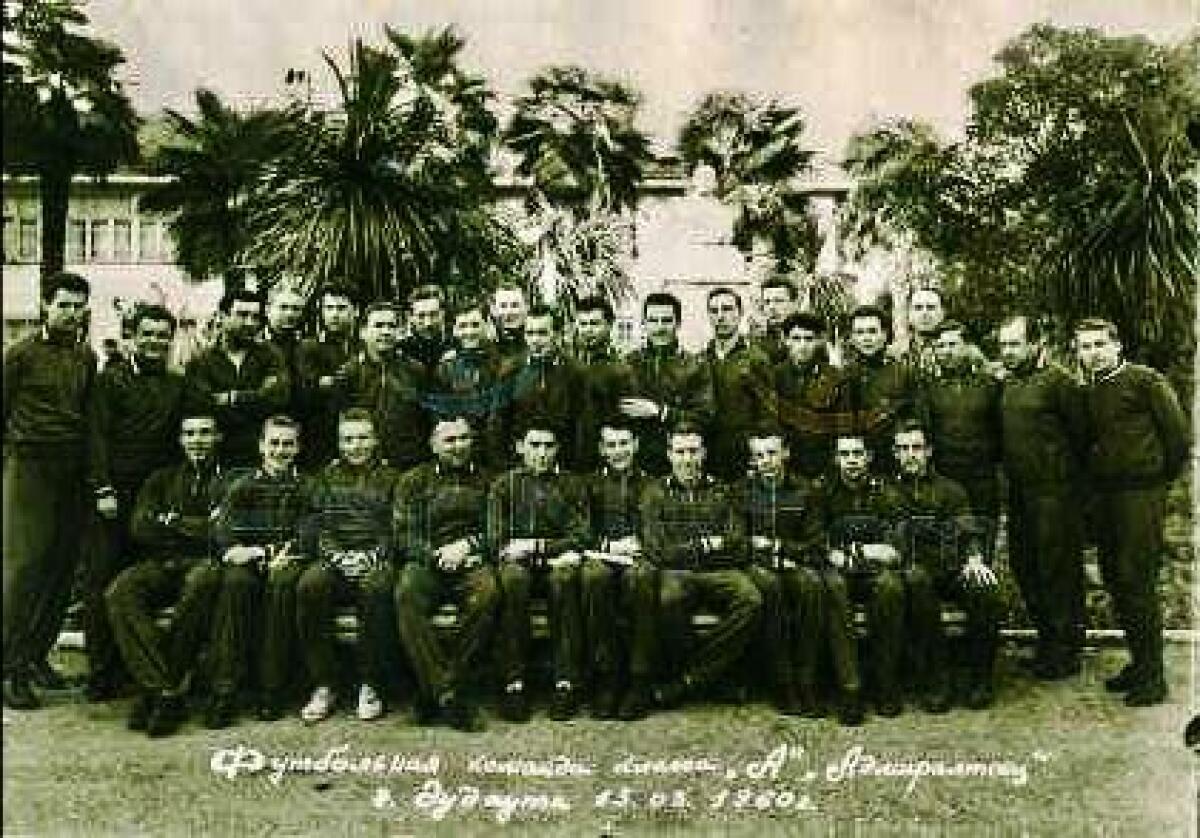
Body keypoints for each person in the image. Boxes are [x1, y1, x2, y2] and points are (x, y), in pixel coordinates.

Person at [1075, 318, 1189, 706]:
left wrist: (1155, 480)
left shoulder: (1145, 381)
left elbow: (1178, 437)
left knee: (1136, 580)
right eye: (1085, 347)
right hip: (1106, 498)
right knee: (1115, 580)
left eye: (1099, 345)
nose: (1093, 353)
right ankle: (1139, 664)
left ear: (1117, 345)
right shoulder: (1090, 391)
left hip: (1140, 495)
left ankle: (1153, 677)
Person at [3, 272, 97, 709]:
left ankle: (37, 656)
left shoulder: (86, 357)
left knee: (62, 567)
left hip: (72, 468)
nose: (72, 314)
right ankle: (11, 670)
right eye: (64, 305)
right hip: (31, 467)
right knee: (25, 569)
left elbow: (87, 417)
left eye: (79, 306)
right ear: (45, 305)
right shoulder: (20, 354)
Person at [84, 304, 187, 701]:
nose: (155, 342)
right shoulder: (110, 380)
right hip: (114, 495)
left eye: (163, 335)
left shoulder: (176, 385)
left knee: (136, 581)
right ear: (132, 336)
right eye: (148, 334)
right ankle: (101, 672)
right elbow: (95, 437)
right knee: (102, 579)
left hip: (154, 497)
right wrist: (102, 489)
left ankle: (136, 668)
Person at [105, 412, 227, 736]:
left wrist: (171, 521)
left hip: (206, 564)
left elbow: (223, 533)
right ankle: (165, 690)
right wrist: (197, 525)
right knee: (120, 590)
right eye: (190, 434)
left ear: (218, 437)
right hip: (162, 564)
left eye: (205, 433)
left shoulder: (230, 481)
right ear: (180, 440)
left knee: (203, 580)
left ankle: (159, 690)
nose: (197, 441)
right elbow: (140, 527)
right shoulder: (161, 478)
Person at [640, 421, 762, 710]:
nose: (688, 459)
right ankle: (713, 677)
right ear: (669, 455)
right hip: (676, 573)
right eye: (680, 452)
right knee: (669, 598)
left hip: (719, 572)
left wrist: (688, 549)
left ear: (704, 453)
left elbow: (738, 544)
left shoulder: (722, 490)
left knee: (751, 599)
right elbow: (658, 551)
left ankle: (691, 679)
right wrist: (708, 545)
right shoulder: (654, 493)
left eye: (693, 451)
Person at [293, 409, 401, 723]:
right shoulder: (325, 478)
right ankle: (324, 683)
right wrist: (339, 557)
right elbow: (317, 526)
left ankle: (371, 683)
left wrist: (371, 557)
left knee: (377, 586)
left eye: (363, 438)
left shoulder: (393, 477)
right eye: (348, 439)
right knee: (311, 584)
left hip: (376, 558)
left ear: (375, 440)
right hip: (335, 558)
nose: (356, 446)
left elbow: (398, 527)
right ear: (339, 443)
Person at [999, 315, 1089, 680]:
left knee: (1057, 571)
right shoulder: (1008, 382)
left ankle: (1066, 650)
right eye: (1003, 345)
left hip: (1055, 494)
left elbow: (1082, 436)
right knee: (1025, 566)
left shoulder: (1059, 382)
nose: (1007, 351)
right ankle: (1048, 641)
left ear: (1036, 344)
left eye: (1014, 344)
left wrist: (1069, 486)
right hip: (1020, 493)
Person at [394, 416, 499, 731]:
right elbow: (403, 533)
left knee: (489, 593)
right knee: (406, 592)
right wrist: (436, 556)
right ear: (433, 444)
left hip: (472, 560)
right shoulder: (413, 480)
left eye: (464, 438)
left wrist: (468, 547)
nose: (458, 446)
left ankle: (435, 689)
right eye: (449, 440)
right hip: (427, 562)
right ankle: (449, 693)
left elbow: (498, 529)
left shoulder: (489, 480)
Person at [889, 421, 1002, 711]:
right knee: (917, 580)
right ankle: (937, 678)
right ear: (895, 453)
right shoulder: (886, 492)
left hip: (950, 570)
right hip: (912, 575)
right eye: (904, 448)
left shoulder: (951, 490)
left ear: (928, 451)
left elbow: (968, 530)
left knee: (984, 588)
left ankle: (980, 679)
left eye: (916, 448)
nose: (910, 454)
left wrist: (974, 559)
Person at [206, 415, 308, 728]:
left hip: (290, 561)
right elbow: (223, 532)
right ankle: (224, 690)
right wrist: (256, 554)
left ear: (298, 448)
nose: (280, 450)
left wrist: (279, 554)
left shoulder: (308, 486)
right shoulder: (243, 485)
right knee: (235, 583)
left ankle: (271, 689)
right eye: (274, 443)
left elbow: (312, 532)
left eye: (288, 444)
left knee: (281, 584)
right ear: (261, 446)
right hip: (252, 561)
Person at [487, 419, 589, 722]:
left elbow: (582, 535)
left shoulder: (572, 484)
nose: (542, 453)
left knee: (564, 580)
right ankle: (514, 682)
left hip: (557, 564)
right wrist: (530, 553)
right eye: (534, 445)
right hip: (518, 566)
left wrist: (537, 547)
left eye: (548, 446)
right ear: (521, 447)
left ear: (557, 449)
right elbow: (497, 540)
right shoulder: (504, 485)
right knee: (512, 579)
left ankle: (565, 681)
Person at [818, 433, 907, 723]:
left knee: (890, 586)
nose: (852, 460)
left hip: (874, 573)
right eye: (845, 454)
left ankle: (885, 682)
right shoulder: (822, 492)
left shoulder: (886, 492)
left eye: (858, 453)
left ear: (869, 457)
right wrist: (859, 553)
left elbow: (895, 548)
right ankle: (850, 688)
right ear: (836, 459)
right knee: (833, 586)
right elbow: (818, 542)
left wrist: (854, 552)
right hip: (838, 572)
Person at [737, 426, 825, 716]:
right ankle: (782, 682)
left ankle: (807, 679)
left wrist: (779, 548)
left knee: (812, 584)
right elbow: (738, 541)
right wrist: (769, 556)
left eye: (772, 453)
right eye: (759, 455)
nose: (766, 461)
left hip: (794, 563)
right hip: (755, 566)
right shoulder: (741, 491)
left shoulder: (805, 490)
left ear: (786, 453)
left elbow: (815, 543)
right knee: (770, 586)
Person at [578, 418, 657, 720]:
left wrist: (640, 543)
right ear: (601, 449)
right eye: (611, 445)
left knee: (641, 578)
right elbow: (580, 528)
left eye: (624, 443)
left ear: (635, 445)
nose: (618, 451)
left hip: (639, 556)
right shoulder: (589, 484)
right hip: (601, 554)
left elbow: (656, 527)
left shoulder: (651, 484)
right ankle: (606, 676)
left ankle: (639, 678)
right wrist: (608, 545)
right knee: (593, 577)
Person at [916, 319, 1003, 559]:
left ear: (966, 346)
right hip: (945, 478)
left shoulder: (989, 385)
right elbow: (925, 431)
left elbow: (1000, 430)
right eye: (941, 346)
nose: (947, 351)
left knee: (983, 543)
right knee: (949, 546)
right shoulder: (928, 388)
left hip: (982, 480)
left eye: (953, 344)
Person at [184, 288, 290, 467]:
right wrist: (257, 398)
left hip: (264, 457)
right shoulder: (201, 361)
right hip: (218, 457)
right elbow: (203, 404)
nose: (250, 323)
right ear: (222, 316)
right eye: (242, 315)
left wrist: (232, 398)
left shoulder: (271, 355)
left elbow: (278, 398)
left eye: (255, 317)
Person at [617, 292, 714, 475]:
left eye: (666, 320)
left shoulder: (695, 365)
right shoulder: (628, 364)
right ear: (644, 324)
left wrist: (662, 412)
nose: (660, 327)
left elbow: (705, 417)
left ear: (678, 323)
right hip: (637, 466)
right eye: (653, 320)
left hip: (681, 464)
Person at [338, 303, 429, 472]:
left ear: (400, 332)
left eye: (391, 326)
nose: (386, 332)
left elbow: (424, 420)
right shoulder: (349, 372)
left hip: (407, 463)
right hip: (364, 465)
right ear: (363, 331)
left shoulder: (415, 370)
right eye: (379, 326)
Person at [701, 287, 772, 482]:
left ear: (739, 313)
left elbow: (767, 414)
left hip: (743, 458)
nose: (720, 316)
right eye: (714, 311)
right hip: (708, 457)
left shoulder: (756, 359)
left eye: (727, 309)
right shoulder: (700, 360)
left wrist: (758, 455)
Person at [428, 299, 508, 471]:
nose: (469, 332)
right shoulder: (446, 368)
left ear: (486, 325)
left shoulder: (504, 363)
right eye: (463, 326)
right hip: (462, 452)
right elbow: (440, 416)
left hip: (500, 451)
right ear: (455, 330)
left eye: (475, 325)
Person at [500, 305, 583, 471]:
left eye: (542, 333)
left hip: (563, 465)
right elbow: (500, 422)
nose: (535, 340)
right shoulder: (512, 370)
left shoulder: (574, 372)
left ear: (556, 334)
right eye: (530, 333)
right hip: (521, 464)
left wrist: (574, 467)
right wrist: (507, 464)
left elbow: (580, 424)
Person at [841, 304, 917, 472]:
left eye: (872, 331)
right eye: (859, 332)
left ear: (884, 334)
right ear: (852, 338)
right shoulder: (844, 376)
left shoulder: (903, 373)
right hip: (858, 463)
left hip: (896, 460)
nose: (866, 338)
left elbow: (916, 419)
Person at [771, 312, 847, 479]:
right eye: (796, 338)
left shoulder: (833, 376)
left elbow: (841, 426)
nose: (802, 345)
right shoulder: (774, 376)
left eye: (808, 339)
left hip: (823, 466)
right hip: (785, 466)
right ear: (786, 340)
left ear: (819, 341)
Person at [295, 284, 359, 468]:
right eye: (329, 308)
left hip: (360, 434)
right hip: (320, 439)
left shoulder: (364, 345)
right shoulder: (308, 347)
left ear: (355, 310)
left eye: (341, 308)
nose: (334, 314)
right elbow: (307, 391)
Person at [571, 296, 628, 473]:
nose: (588, 330)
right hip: (568, 462)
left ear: (609, 325)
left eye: (595, 324)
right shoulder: (567, 365)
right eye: (583, 324)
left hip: (602, 463)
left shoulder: (621, 371)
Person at [398, 284, 449, 376]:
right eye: (421, 316)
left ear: (443, 314)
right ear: (410, 317)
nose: (428, 323)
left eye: (434, 315)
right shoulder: (401, 351)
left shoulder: (455, 346)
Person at [756, 276, 801, 365]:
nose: (771, 307)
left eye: (778, 301)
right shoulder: (756, 342)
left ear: (795, 304)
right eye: (767, 302)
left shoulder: (811, 339)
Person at [491, 283, 529, 359]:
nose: (509, 311)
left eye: (515, 305)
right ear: (494, 310)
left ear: (526, 308)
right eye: (503, 306)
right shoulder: (489, 346)